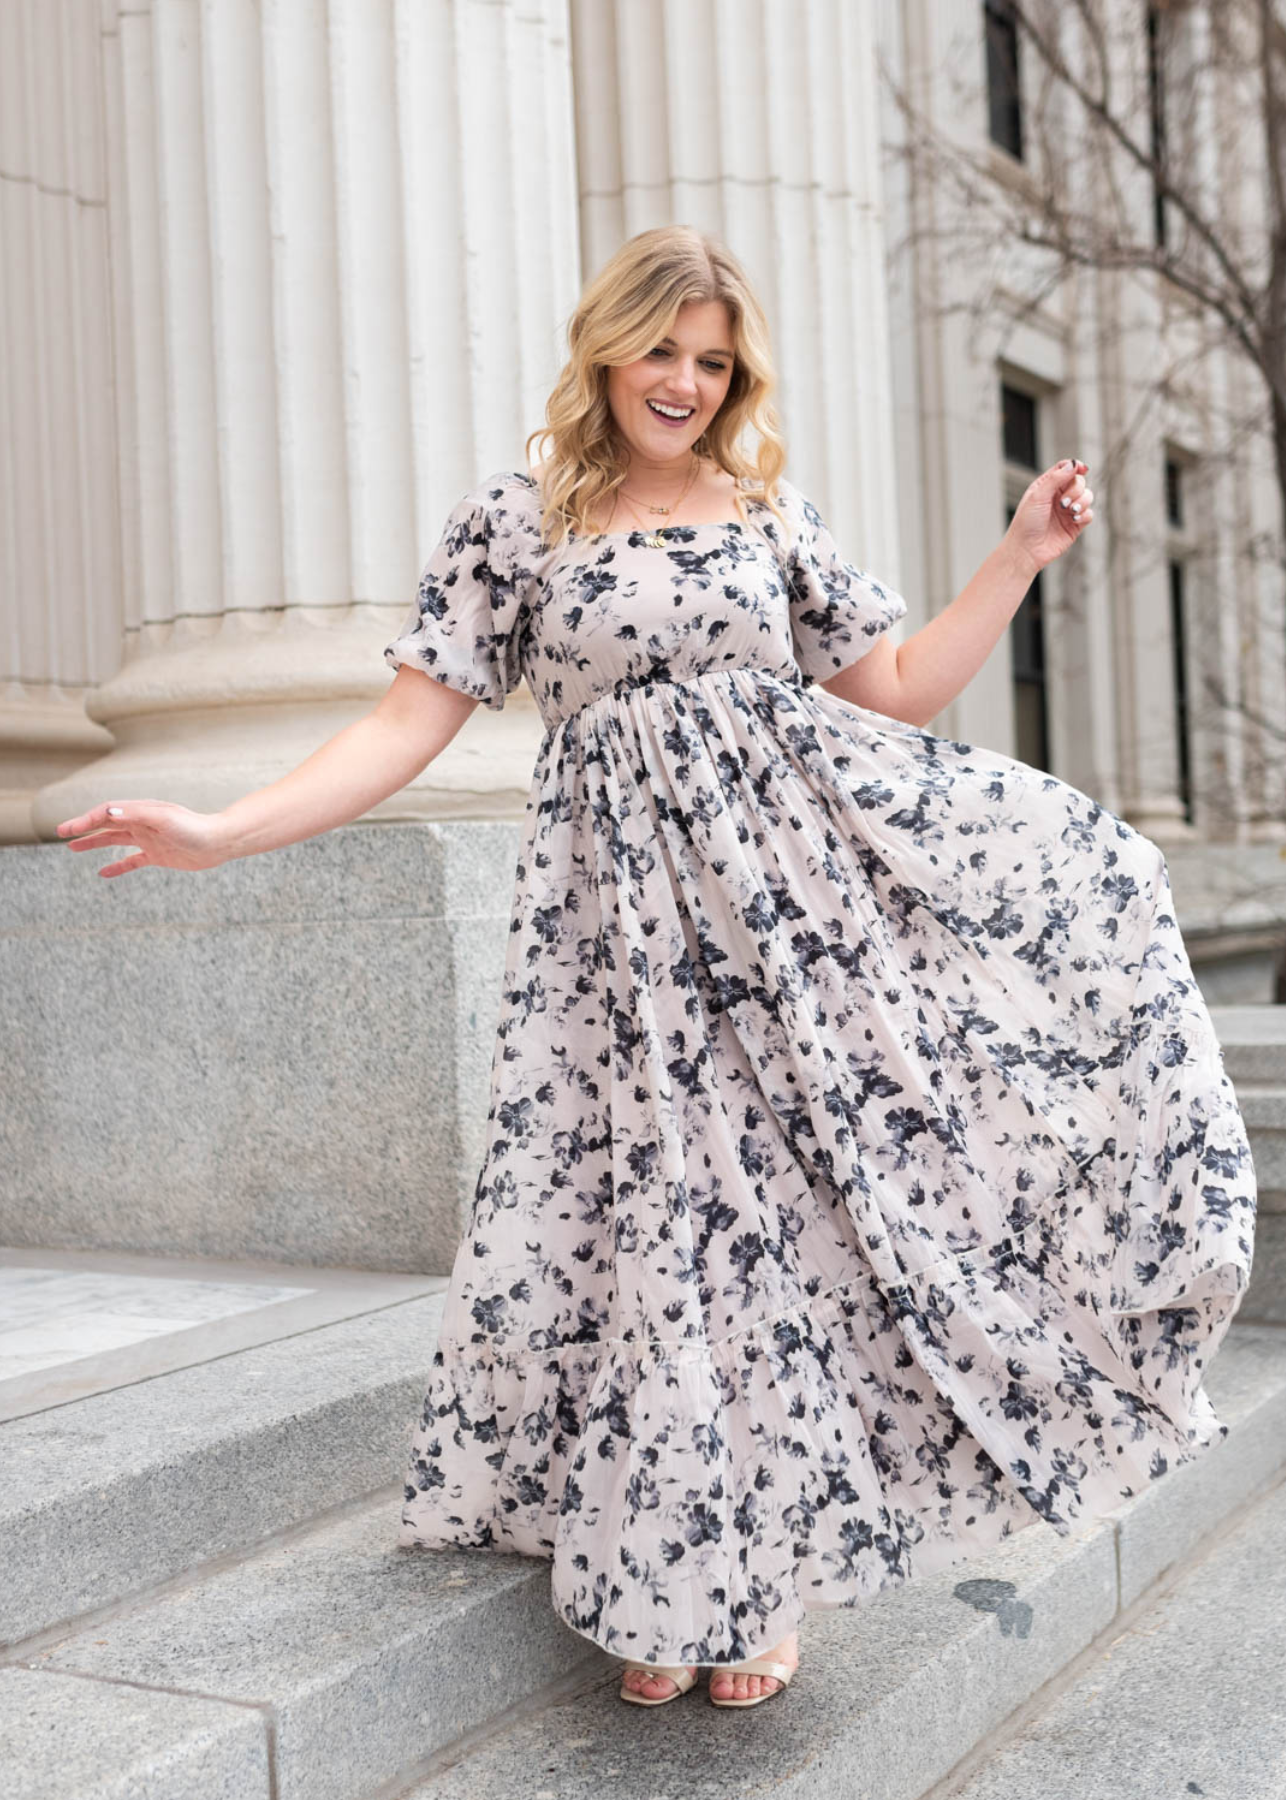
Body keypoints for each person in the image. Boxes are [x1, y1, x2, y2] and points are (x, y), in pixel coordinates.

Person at [56, 225, 1256, 1713]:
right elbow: (401, 727)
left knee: (775, 1222)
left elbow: (887, 690)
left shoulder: (764, 512)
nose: (685, 382)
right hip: (611, 936)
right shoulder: (518, 520)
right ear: (606, 348)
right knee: (646, 1220)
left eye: (713, 359)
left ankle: (744, 1579)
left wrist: (1015, 558)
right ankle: (658, 1560)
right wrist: (224, 831)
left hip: (789, 921)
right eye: (662, 351)